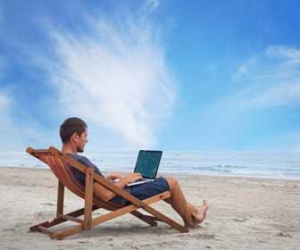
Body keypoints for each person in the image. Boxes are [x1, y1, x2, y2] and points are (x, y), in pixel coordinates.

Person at [60, 117, 209, 228]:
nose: (87, 140)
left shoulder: (65, 160)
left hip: (117, 192)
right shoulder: (80, 161)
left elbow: (90, 183)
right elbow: (105, 195)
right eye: (85, 136)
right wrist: (126, 180)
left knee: (156, 183)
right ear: (75, 137)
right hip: (120, 197)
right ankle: (191, 220)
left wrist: (106, 179)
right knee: (171, 182)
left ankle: (195, 211)